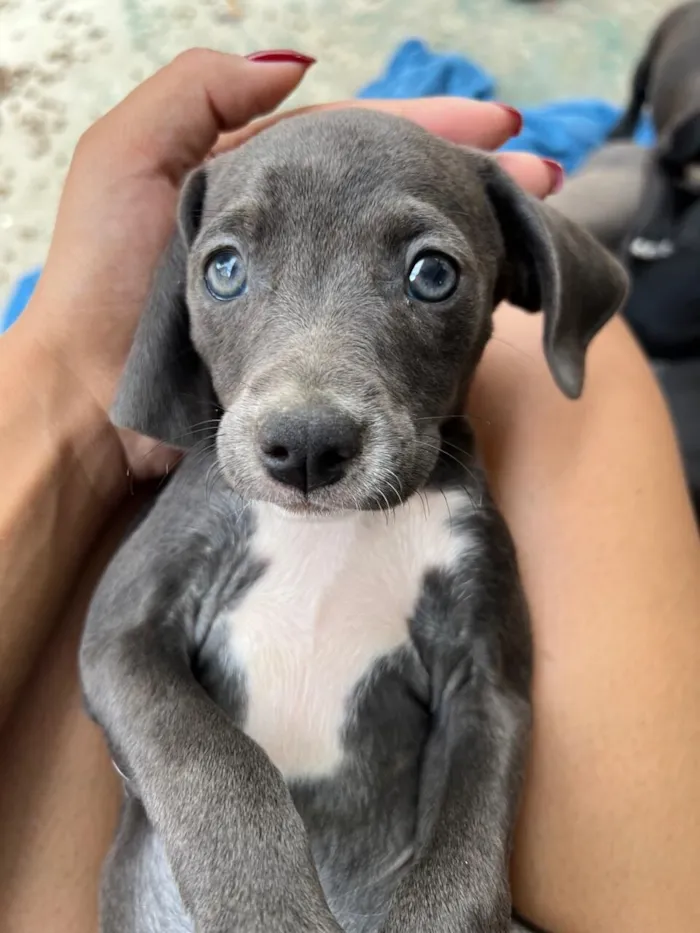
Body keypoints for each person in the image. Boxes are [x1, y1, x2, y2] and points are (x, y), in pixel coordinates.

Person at [0, 49, 698, 933]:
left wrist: (457, 908)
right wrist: (244, 860)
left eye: (429, 274)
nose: (302, 413)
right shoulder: (217, 477)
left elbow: (485, 702)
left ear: (514, 286)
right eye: (227, 269)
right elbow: (121, 650)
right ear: (179, 293)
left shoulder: (458, 513)